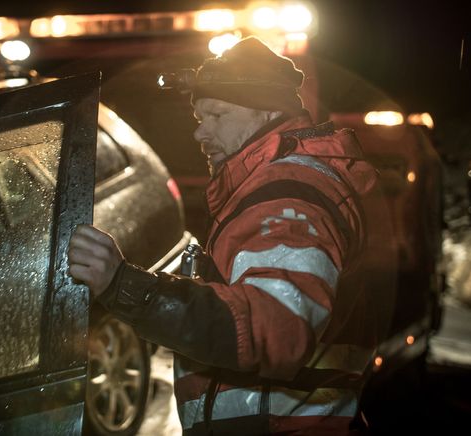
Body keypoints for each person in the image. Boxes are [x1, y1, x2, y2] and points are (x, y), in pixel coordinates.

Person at [68, 36, 380, 435]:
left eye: (217, 115)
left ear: (267, 112)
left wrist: (126, 286)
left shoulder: (288, 194)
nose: (201, 133)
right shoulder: (268, 184)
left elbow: (275, 327)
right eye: (200, 118)